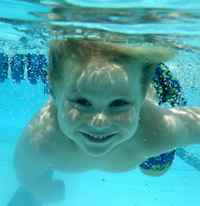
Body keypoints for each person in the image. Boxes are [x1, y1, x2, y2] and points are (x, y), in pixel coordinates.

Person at [8, 38, 200, 205]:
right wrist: (39, 189)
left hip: (153, 80)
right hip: (126, 78)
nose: (99, 122)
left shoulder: (156, 131)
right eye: (82, 102)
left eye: (118, 104)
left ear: (141, 99)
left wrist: (42, 188)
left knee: (155, 170)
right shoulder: (40, 141)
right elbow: (26, 173)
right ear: (53, 91)